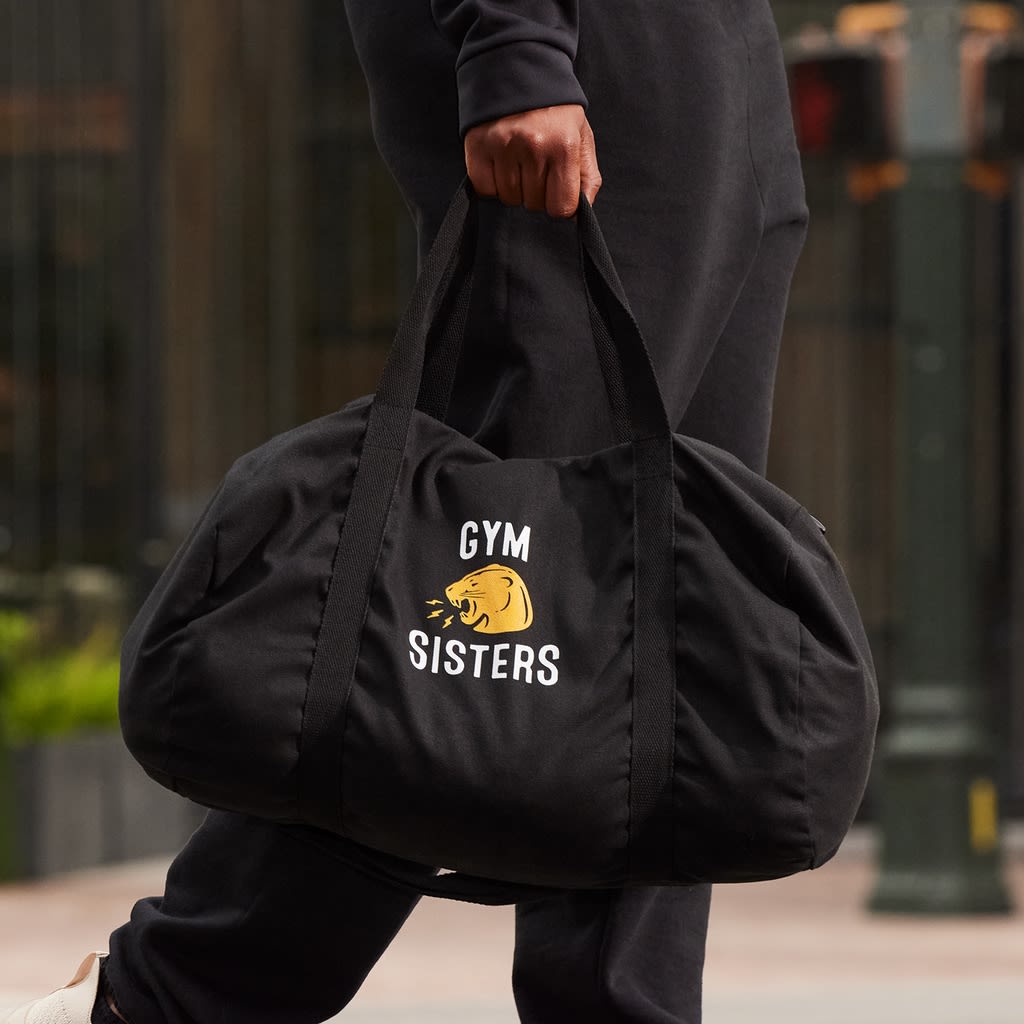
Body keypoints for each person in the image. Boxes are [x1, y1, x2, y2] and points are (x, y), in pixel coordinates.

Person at [6, 1, 807, 1022]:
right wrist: (512, 37)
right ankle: (166, 998)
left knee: (650, 603)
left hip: (715, 61)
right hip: (587, 51)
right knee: (457, 623)